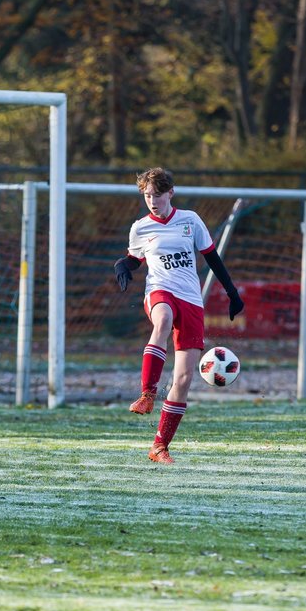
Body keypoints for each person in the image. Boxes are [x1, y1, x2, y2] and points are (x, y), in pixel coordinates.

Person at [113, 167, 244, 465]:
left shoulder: (191, 220)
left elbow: (212, 258)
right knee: (162, 321)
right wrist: (123, 265)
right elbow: (134, 259)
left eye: (157, 195)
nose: (152, 201)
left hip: (191, 299)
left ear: (170, 192)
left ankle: (160, 446)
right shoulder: (140, 227)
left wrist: (232, 293)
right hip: (160, 291)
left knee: (184, 378)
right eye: (147, 196)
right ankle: (147, 394)